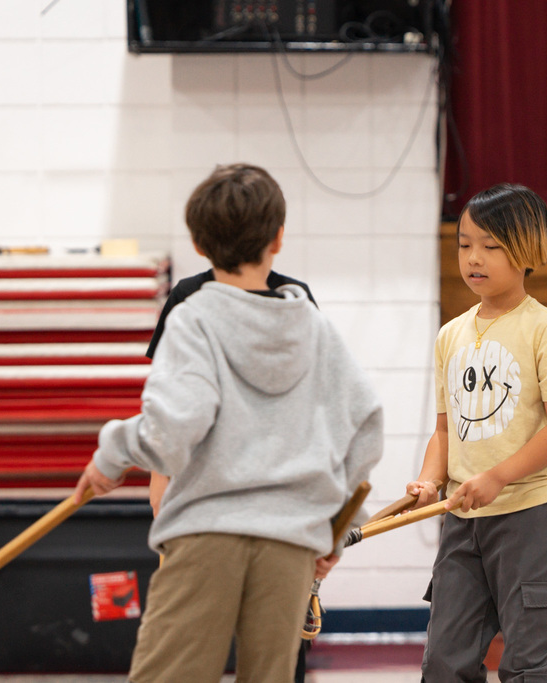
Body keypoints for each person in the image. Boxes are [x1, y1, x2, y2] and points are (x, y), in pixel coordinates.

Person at [74, 163, 383, 683]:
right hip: (289, 544)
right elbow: (365, 427)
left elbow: (176, 426)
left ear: (198, 243)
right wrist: (335, 527)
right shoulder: (314, 325)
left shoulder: (192, 317)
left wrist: (112, 452)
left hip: (208, 535)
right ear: (278, 239)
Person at [406, 183, 547, 682]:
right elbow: (445, 429)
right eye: (464, 245)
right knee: (444, 662)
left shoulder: (546, 328)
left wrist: (499, 477)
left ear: (525, 251)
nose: (473, 258)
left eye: (491, 246)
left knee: (530, 665)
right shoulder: (450, 334)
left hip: (533, 516)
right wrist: (428, 480)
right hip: (464, 520)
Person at [144, 184, 320, 683]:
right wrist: (162, 486)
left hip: (274, 508)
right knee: (182, 649)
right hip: (206, 505)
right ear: (278, 238)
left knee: (276, 659)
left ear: (197, 242)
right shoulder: (187, 298)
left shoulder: (295, 300)